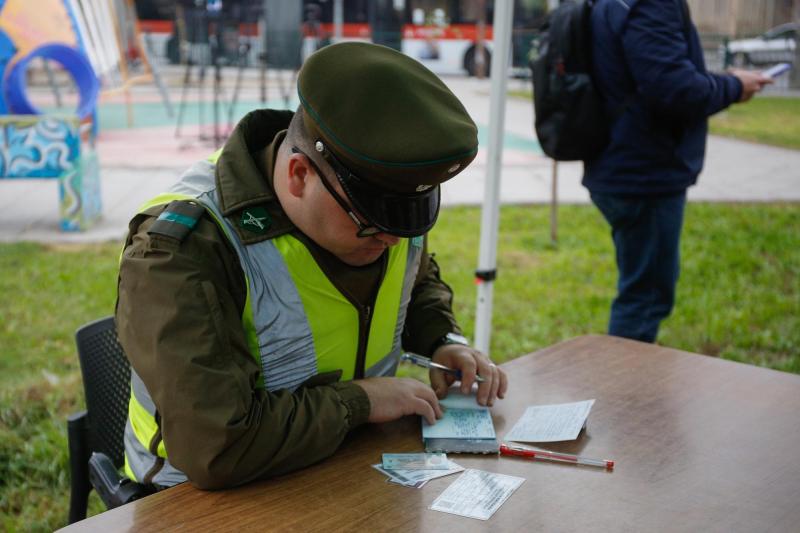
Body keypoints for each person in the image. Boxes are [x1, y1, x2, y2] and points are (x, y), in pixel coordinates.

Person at [116, 42, 508, 490]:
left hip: (348, 464)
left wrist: (441, 339)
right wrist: (360, 402)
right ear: (299, 174)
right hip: (192, 504)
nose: (393, 240)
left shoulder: (380, 209)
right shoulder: (182, 251)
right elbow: (218, 446)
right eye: (371, 223)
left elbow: (413, 280)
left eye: (406, 221)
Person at [585, 0, 772, 342]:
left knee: (640, 292)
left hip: (619, 164)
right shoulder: (651, 3)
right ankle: (628, 391)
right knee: (644, 300)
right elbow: (675, 90)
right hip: (645, 174)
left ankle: (627, 383)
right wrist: (734, 86)